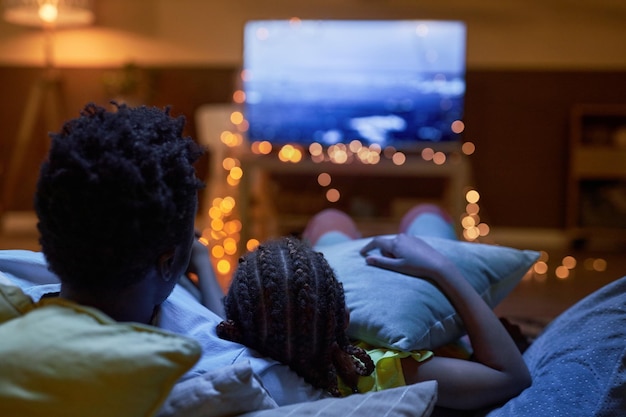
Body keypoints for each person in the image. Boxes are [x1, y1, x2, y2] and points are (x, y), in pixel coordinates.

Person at [217, 205, 532, 411]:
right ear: (346, 318)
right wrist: (440, 267)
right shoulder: (372, 372)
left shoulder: (243, 355)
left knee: (329, 221)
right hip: (448, 319)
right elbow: (511, 377)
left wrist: (204, 263)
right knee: (426, 215)